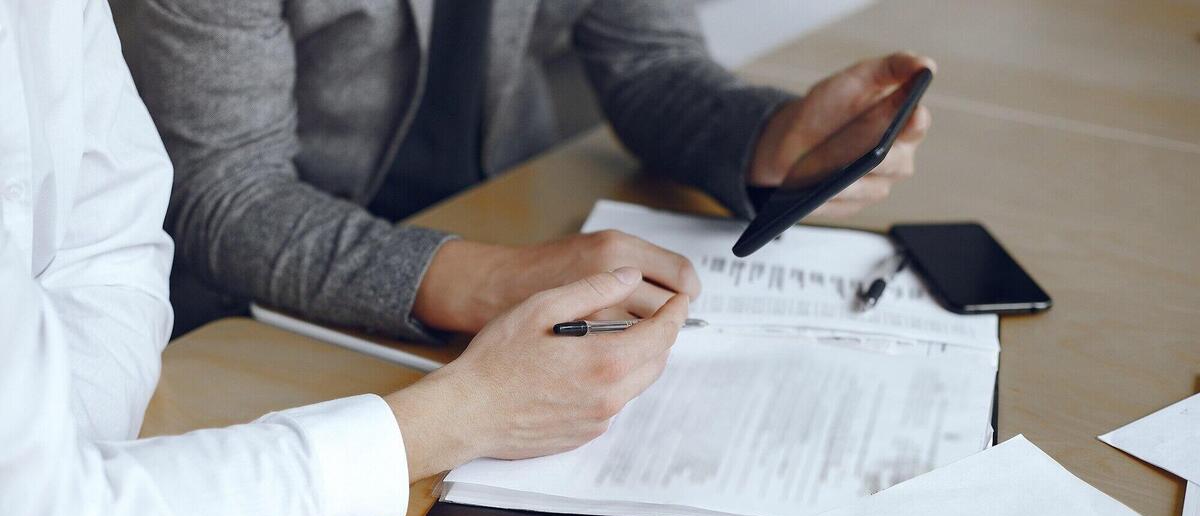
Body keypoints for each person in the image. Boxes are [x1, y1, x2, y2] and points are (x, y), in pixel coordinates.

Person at [0, 0, 685, 516]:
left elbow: (108, 241)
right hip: (261, 330)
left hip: (143, 459)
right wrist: (458, 413)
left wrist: (62, 447)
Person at [116, 0, 933, 337]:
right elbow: (227, 191)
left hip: (509, 219)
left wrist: (769, 139)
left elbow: (645, 57)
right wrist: (492, 283)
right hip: (258, 315)